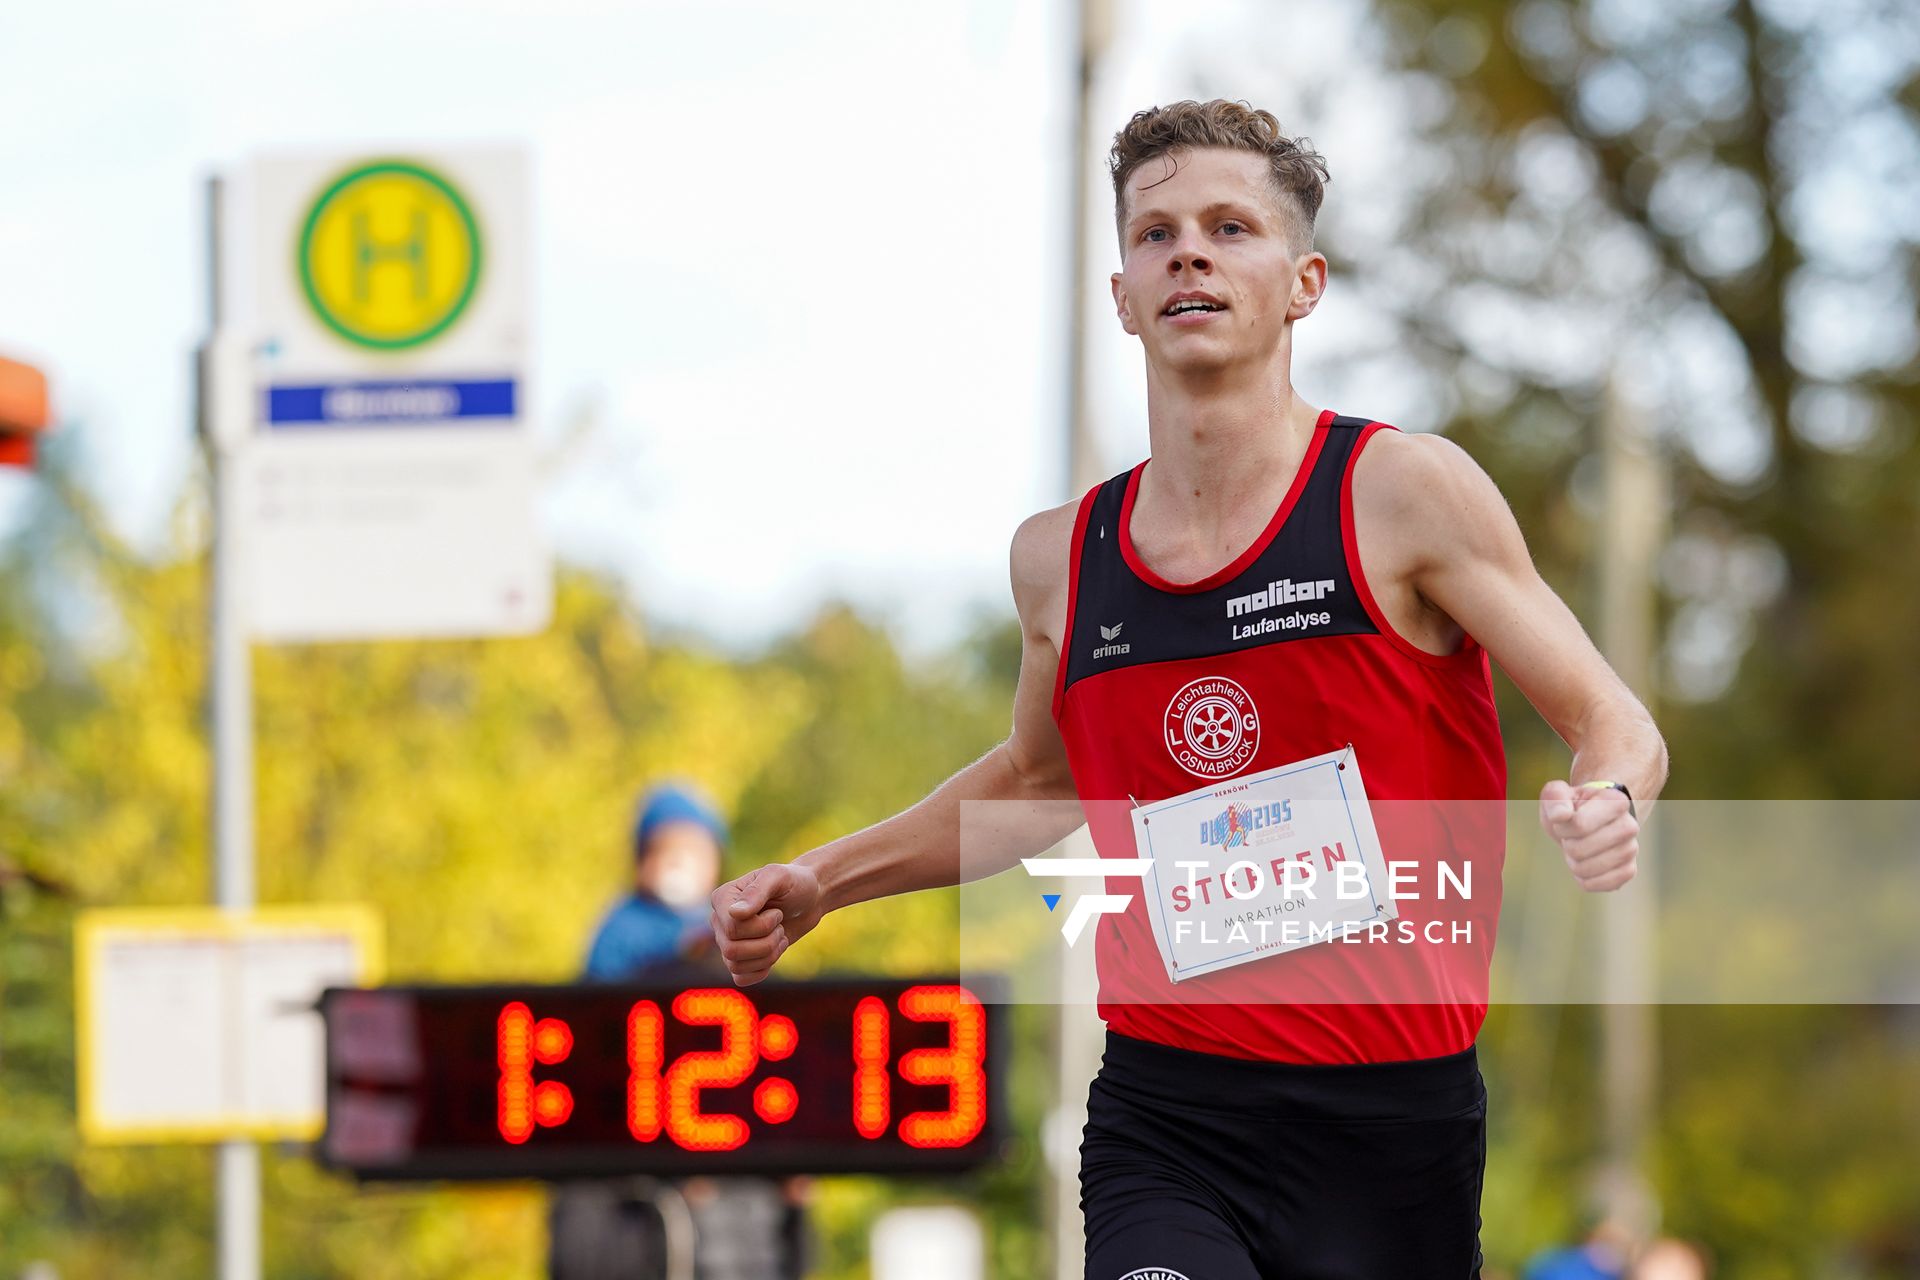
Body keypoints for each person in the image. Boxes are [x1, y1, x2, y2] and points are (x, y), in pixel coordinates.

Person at [710, 99, 1668, 1279]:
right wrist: (822, 879)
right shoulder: (1061, 557)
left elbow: (1610, 718)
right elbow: (1036, 777)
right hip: (1169, 1112)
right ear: (1122, 293)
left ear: (1304, 281)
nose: (1190, 253)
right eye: (1155, 234)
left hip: (1391, 1127)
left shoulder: (1402, 493)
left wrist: (1608, 794)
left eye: (1229, 227)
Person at [551, 782, 810, 1280]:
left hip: (740, 1194)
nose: (681, 862)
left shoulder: (742, 942)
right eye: (668, 848)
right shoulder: (612, 946)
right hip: (634, 1198)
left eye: (695, 848)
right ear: (642, 857)